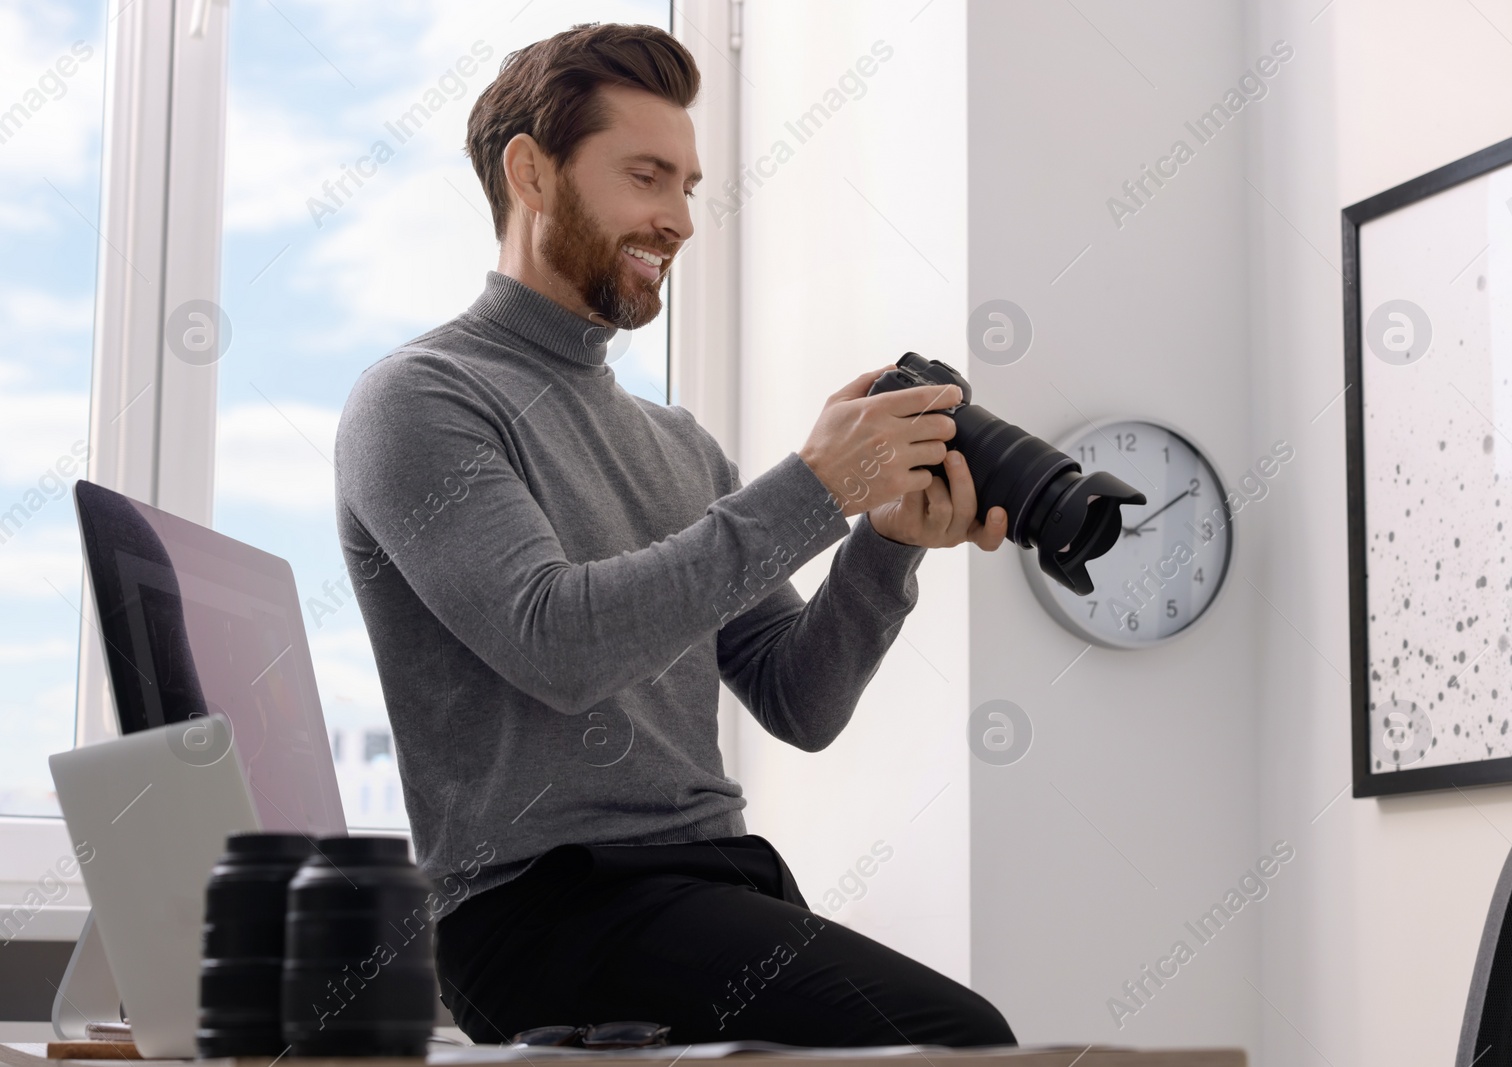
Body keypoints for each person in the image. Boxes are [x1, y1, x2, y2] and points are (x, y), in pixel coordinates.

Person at [334, 20, 1015, 1049]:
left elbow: (801, 697)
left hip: (714, 883)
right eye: (647, 176)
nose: (680, 219)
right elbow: (561, 644)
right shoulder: (421, 399)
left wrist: (884, 539)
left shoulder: (676, 443)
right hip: (541, 910)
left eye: (689, 186)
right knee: (955, 1036)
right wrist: (816, 485)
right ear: (531, 172)